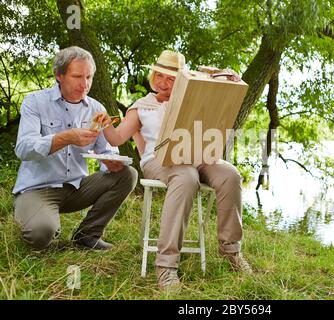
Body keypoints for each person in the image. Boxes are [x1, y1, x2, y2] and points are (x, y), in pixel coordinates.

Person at [98, 50, 252, 290]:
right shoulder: (142, 106)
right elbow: (117, 138)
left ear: (181, 80)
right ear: (152, 76)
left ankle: (231, 251)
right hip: (159, 160)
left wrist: (229, 77)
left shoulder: (195, 98)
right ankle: (166, 267)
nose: (163, 82)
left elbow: (222, 97)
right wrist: (105, 125)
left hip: (197, 155)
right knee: (186, 176)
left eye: (171, 79)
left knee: (230, 174)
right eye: (159, 75)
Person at [13, 46, 138, 251]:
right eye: (77, 76)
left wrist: (109, 161)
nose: (85, 84)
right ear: (59, 75)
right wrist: (65, 138)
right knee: (40, 234)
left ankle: (87, 235)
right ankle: (42, 221)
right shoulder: (35, 102)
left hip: (77, 187)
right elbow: (24, 148)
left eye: (89, 77)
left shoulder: (97, 109)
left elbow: (107, 149)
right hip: (38, 188)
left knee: (127, 174)